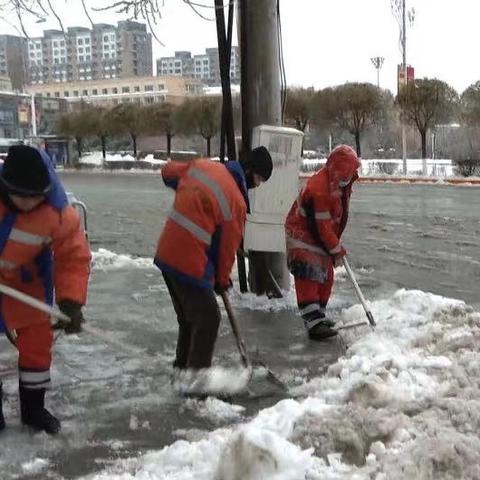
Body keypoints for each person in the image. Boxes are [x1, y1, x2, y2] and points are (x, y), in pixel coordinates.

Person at [155, 147, 273, 371]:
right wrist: (221, 280)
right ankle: (197, 379)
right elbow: (226, 250)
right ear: (249, 171)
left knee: (189, 319)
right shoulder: (236, 202)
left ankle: (183, 370)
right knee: (209, 319)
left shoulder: (202, 166)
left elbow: (167, 173)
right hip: (190, 262)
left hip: (167, 255)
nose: (257, 185)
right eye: (258, 179)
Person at [0, 145, 91, 435]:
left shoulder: (59, 213)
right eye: (21, 196)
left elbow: (73, 258)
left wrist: (71, 302)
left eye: (35, 196)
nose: (29, 203)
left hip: (27, 280)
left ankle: (34, 408)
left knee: (37, 345)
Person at [285, 145, 361, 340]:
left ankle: (319, 317)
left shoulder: (339, 186)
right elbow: (322, 226)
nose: (352, 175)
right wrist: (336, 249)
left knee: (326, 276)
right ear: (341, 170)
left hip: (318, 237)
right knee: (309, 274)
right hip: (302, 236)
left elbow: (329, 225)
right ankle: (313, 324)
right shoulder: (320, 190)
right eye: (349, 171)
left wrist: (333, 247)